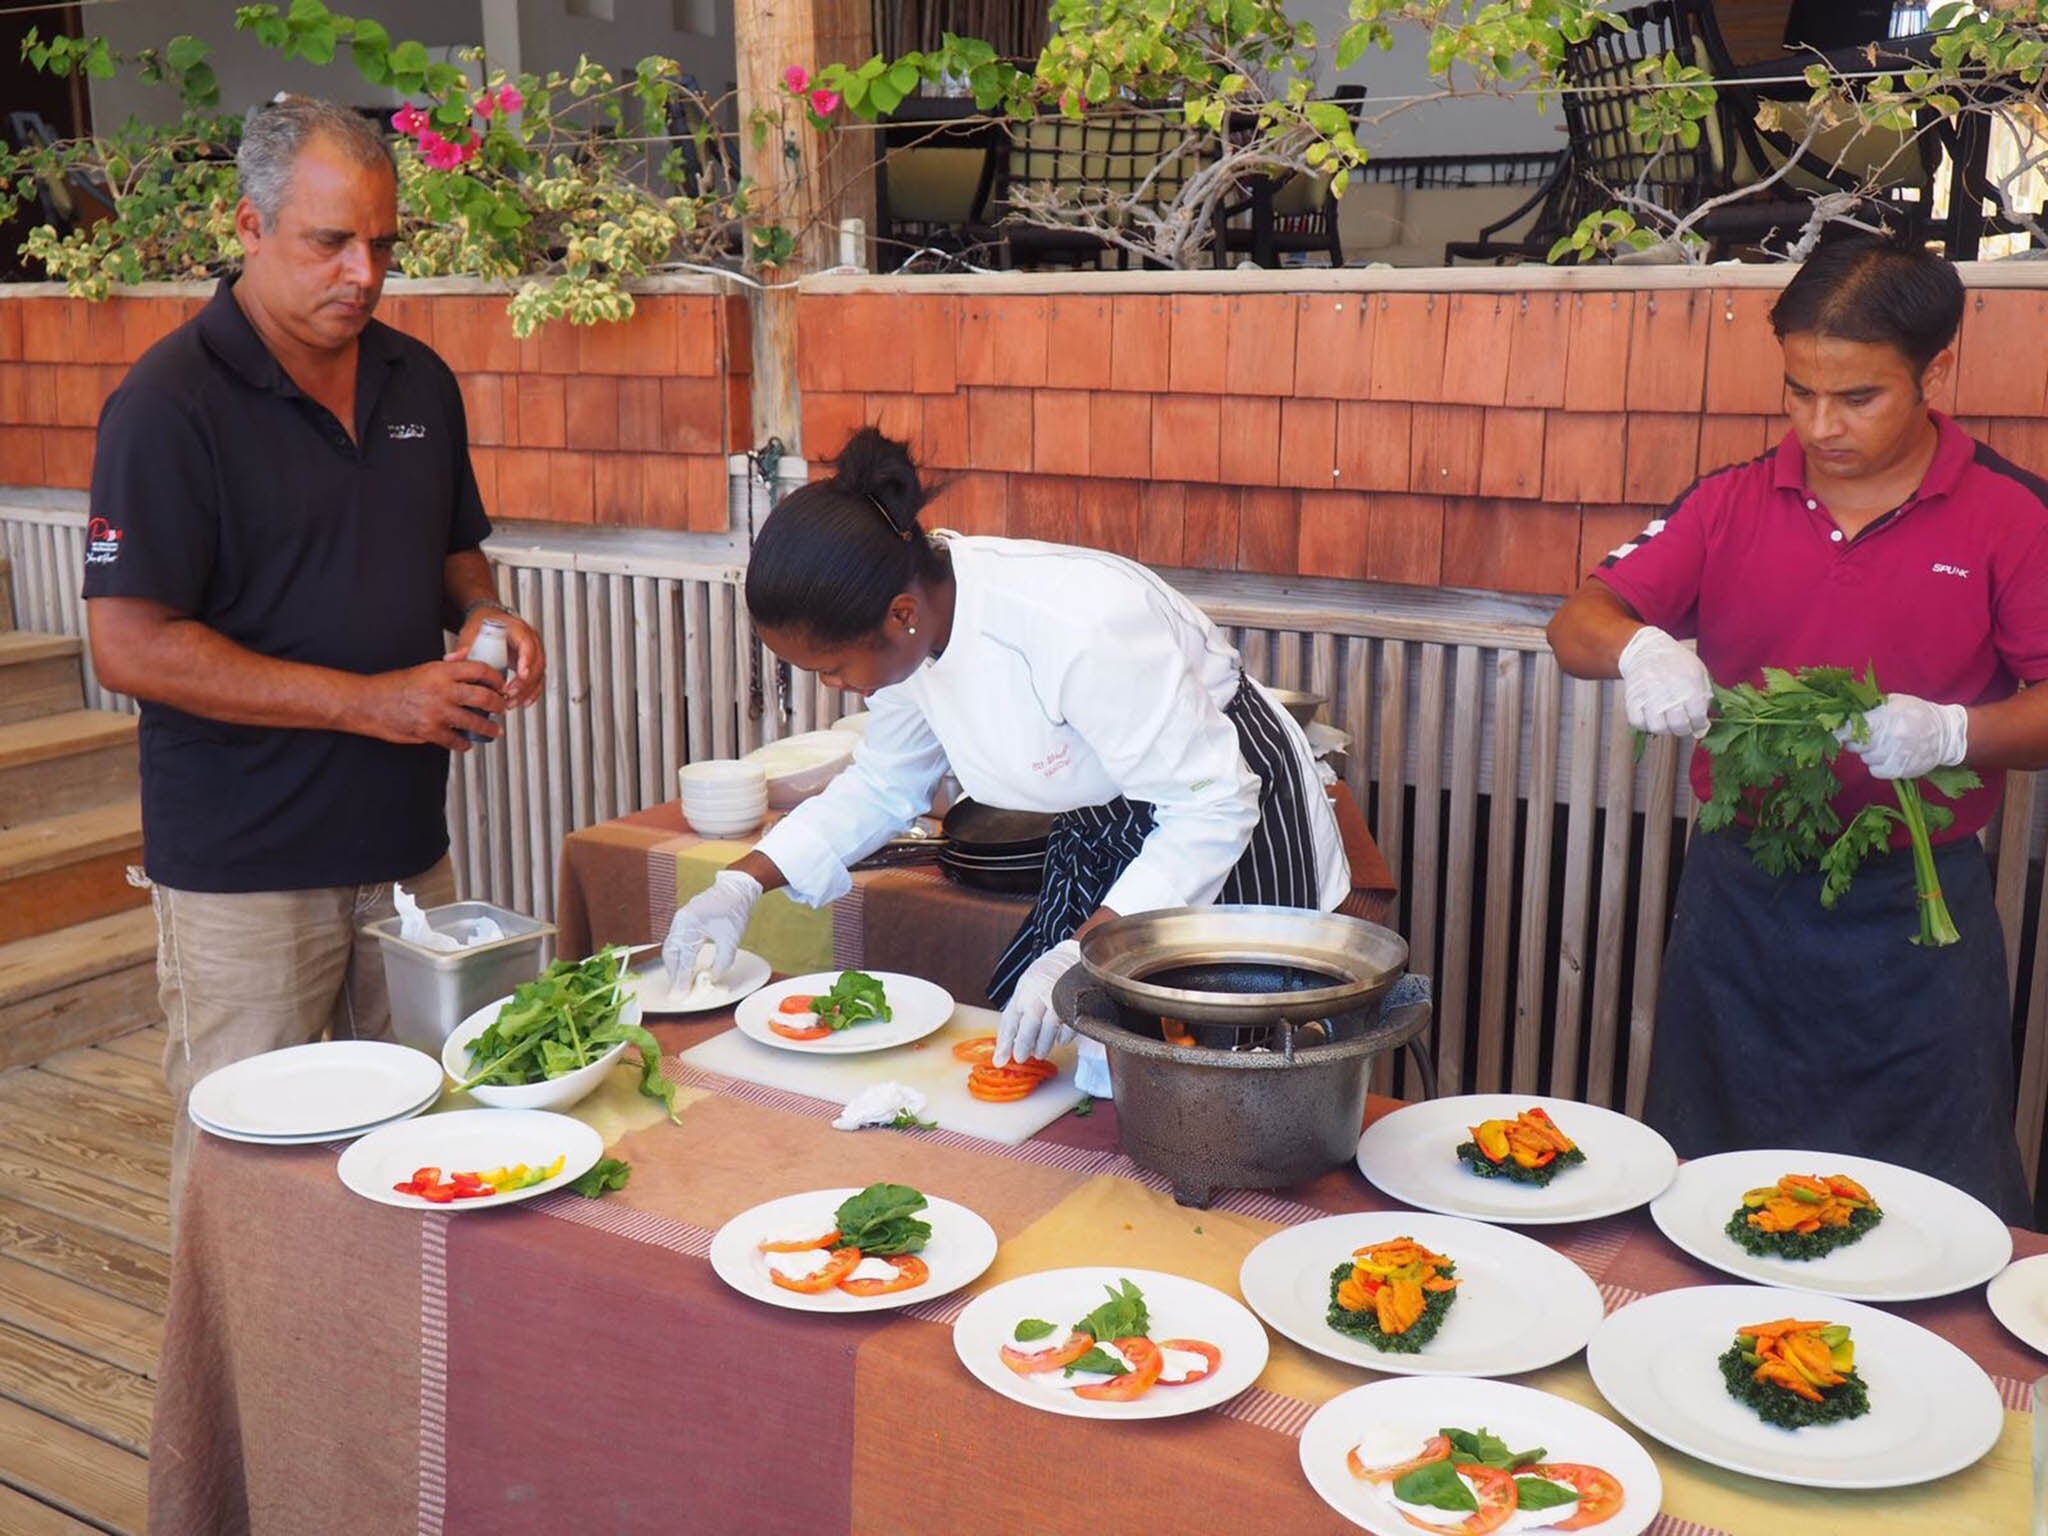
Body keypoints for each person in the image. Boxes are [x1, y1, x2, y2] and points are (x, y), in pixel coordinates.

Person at [81, 96, 544, 1213]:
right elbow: (128, 646)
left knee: (423, 1138)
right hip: (243, 867)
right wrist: (369, 704)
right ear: (247, 226)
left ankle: (398, 1380)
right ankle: (239, 1390)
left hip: (401, 850)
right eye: (329, 242)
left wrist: (491, 615)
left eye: (383, 244)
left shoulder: (416, 382)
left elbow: (451, 553)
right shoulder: (165, 404)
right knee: (249, 1178)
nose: (364, 272)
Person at [1547, 234, 2039, 1224]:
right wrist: (1640, 651)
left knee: (1923, 1196)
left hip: (1916, 900)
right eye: (1797, 393)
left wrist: (1951, 734)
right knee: (1710, 1172)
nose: (1820, 425)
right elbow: (1578, 620)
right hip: (1738, 890)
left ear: (1934, 370)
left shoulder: (2010, 516)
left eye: (1856, 397)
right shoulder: (1729, 500)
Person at [662, 427, 1350, 1090]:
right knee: (1080, 1058)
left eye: (833, 666)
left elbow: (1210, 805)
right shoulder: (914, 637)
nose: (833, 687)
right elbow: (882, 785)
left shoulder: (1075, 628)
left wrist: (1077, 954)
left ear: (900, 614)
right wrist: (740, 885)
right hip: (1108, 817)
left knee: (1233, 1069)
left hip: (1225, 808)